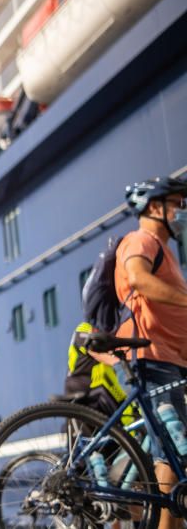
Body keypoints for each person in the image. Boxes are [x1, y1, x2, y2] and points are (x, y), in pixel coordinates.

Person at [116, 176, 187, 529]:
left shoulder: (165, 251)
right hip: (154, 356)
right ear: (155, 207)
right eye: (177, 204)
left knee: (172, 460)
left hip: (171, 359)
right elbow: (139, 279)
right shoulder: (141, 240)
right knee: (172, 455)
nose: (181, 212)